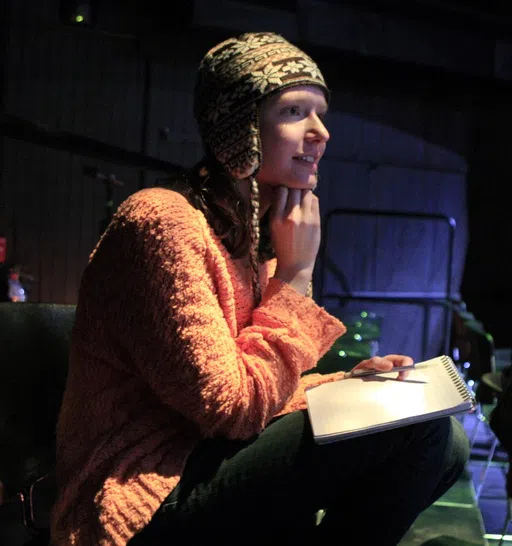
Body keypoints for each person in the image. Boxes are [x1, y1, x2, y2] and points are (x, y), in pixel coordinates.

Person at [50, 32, 470, 546]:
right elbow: (233, 409)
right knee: (415, 430)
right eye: (294, 111)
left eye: (321, 114)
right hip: (146, 493)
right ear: (240, 129)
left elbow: (257, 389)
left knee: (443, 436)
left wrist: (340, 383)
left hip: (211, 458)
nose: (321, 134)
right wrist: (295, 275)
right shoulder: (161, 223)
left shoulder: (247, 242)